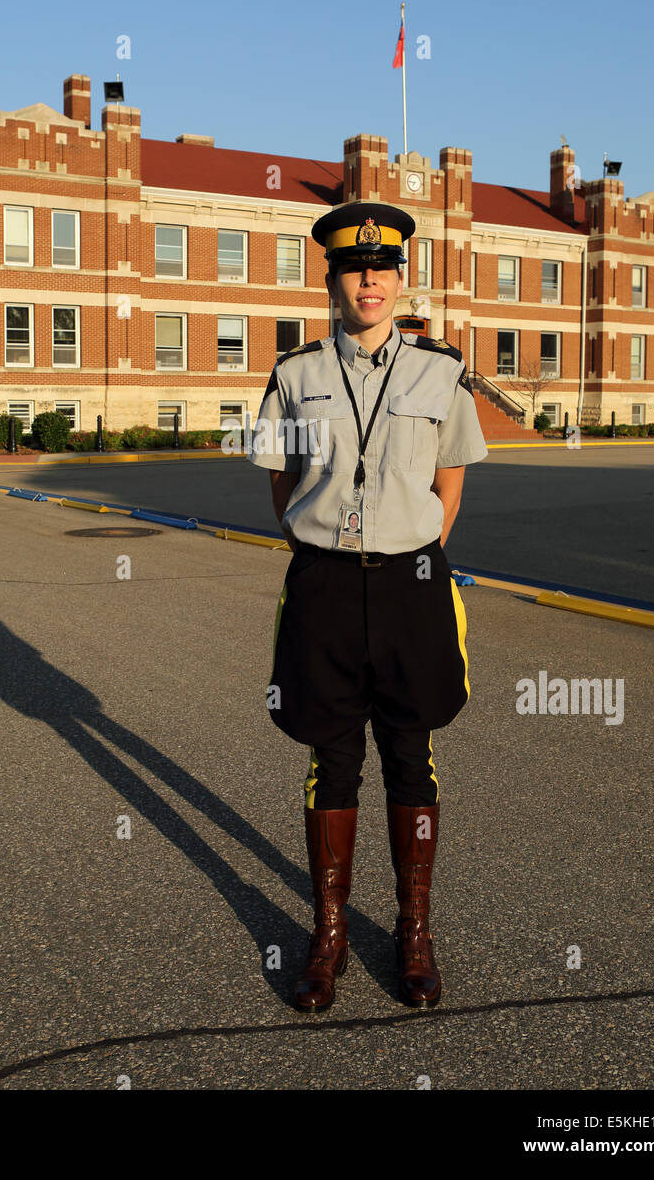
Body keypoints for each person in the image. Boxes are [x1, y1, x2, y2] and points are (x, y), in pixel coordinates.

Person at [249, 200, 488, 1012]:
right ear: (333, 280)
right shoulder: (294, 375)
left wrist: (412, 545)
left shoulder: (441, 371)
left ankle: (413, 933)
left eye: (382, 269)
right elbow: (281, 481)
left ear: (399, 278)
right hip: (323, 581)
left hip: (410, 584)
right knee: (332, 756)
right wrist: (320, 544)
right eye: (355, 270)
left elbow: (450, 477)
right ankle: (329, 934)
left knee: (410, 756)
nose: (369, 282)